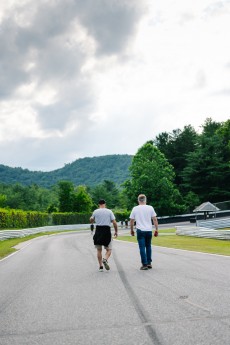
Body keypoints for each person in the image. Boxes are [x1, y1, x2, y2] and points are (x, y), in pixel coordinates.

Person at [130, 194, 158, 270]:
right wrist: (156, 229)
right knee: (148, 246)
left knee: (142, 247)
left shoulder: (135, 208)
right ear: (145, 200)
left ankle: (144, 264)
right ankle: (149, 263)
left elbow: (132, 220)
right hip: (149, 230)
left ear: (138, 200)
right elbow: (154, 219)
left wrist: (131, 230)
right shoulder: (150, 208)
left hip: (140, 230)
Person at [90, 199, 118, 272]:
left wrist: (91, 219)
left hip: (98, 231)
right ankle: (105, 259)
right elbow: (114, 222)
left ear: (98, 204)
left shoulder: (95, 211)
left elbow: (91, 220)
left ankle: (100, 267)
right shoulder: (109, 211)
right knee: (109, 249)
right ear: (105, 204)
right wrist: (116, 231)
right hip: (106, 231)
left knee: (99, 250)